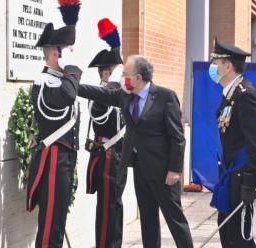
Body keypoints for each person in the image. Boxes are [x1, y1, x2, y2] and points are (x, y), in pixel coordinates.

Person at [78, 55, 193, 248]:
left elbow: (178, 136)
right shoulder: (126, 95)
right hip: (141, 169)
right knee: (148, 220)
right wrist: (73, 85)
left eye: (125, 74)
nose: (122, 77)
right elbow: (99, 94)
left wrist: (175, 169)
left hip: (164, 171)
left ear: (138, 77)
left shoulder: (165, 97)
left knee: (175, 220)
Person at [25, 1, 82, 247]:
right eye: (65, 51)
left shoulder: (60, 82)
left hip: (64, 159)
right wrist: (72, 68)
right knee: (50, 223)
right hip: (53, 159)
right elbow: (68, 96)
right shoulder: (44, 83)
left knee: (58, 220)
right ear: (54, 53)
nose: (68, 56)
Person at [208, 38, 256, 248]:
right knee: (227, 232)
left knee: (240, 239)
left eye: (215, 63)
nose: (212, 67)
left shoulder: (245, 95)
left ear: (227, 66)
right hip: (231, 177)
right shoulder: (231, 94)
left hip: (244, 177)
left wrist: (251, 182)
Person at [85, 18, 127, 248]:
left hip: (117, 156)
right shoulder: (101, 95)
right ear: (105, 73)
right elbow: (99, 115)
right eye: (114, 71)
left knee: (115, 206)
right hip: (107, 156)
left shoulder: (115, 92)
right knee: (107, 208)